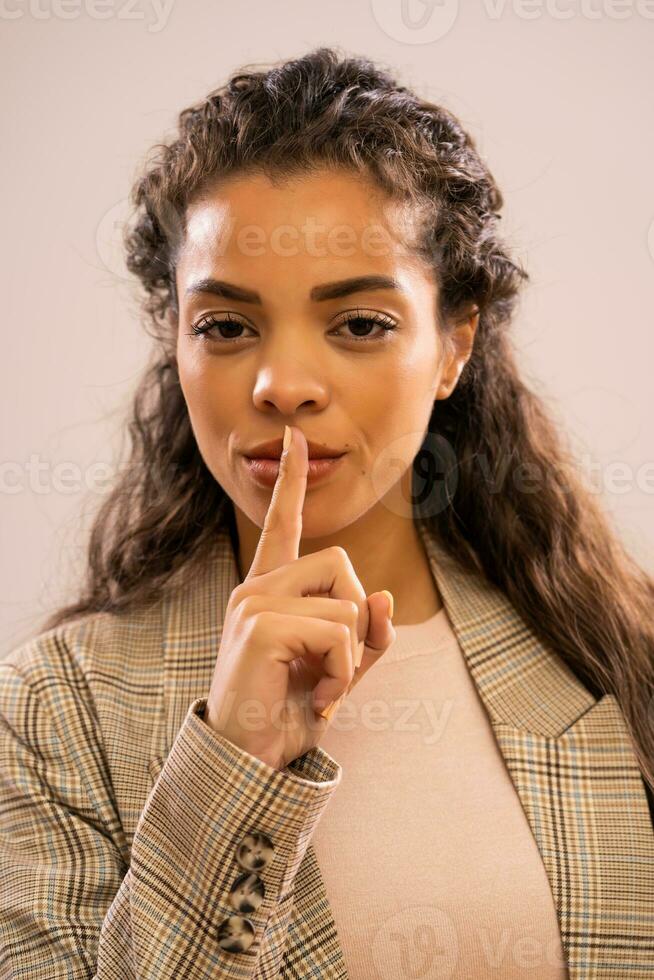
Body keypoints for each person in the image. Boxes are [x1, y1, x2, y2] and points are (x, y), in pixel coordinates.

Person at [1, 46, 652, 979]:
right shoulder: (52, 713)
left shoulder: (616, 655)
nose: (283, 385)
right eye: (226, 326)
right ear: (174, 339)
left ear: (454, 345)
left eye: (360, 324)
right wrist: (235, 762)